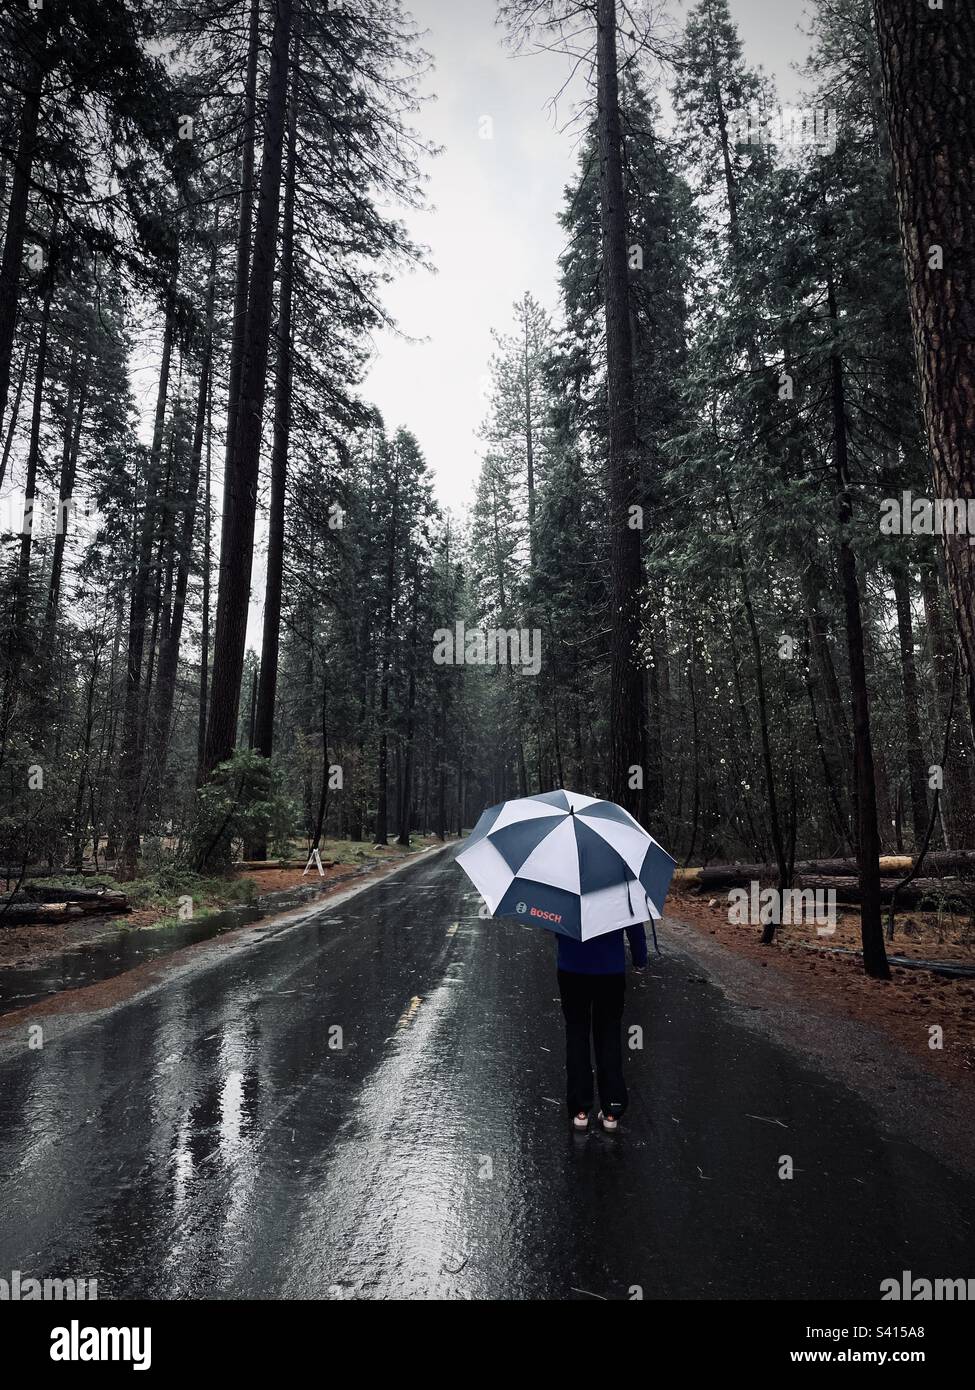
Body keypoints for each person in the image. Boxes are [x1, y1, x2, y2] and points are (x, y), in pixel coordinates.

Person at [556, 921, 648, 1132]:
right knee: (609, 1035)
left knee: (577, 1034)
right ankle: (611, 1111)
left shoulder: (566, 888)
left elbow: (554, 923)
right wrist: (639, 958)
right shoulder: (619, 887)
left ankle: (580, 1110)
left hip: (572, 966)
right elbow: (634, 923)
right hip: (610, 969)